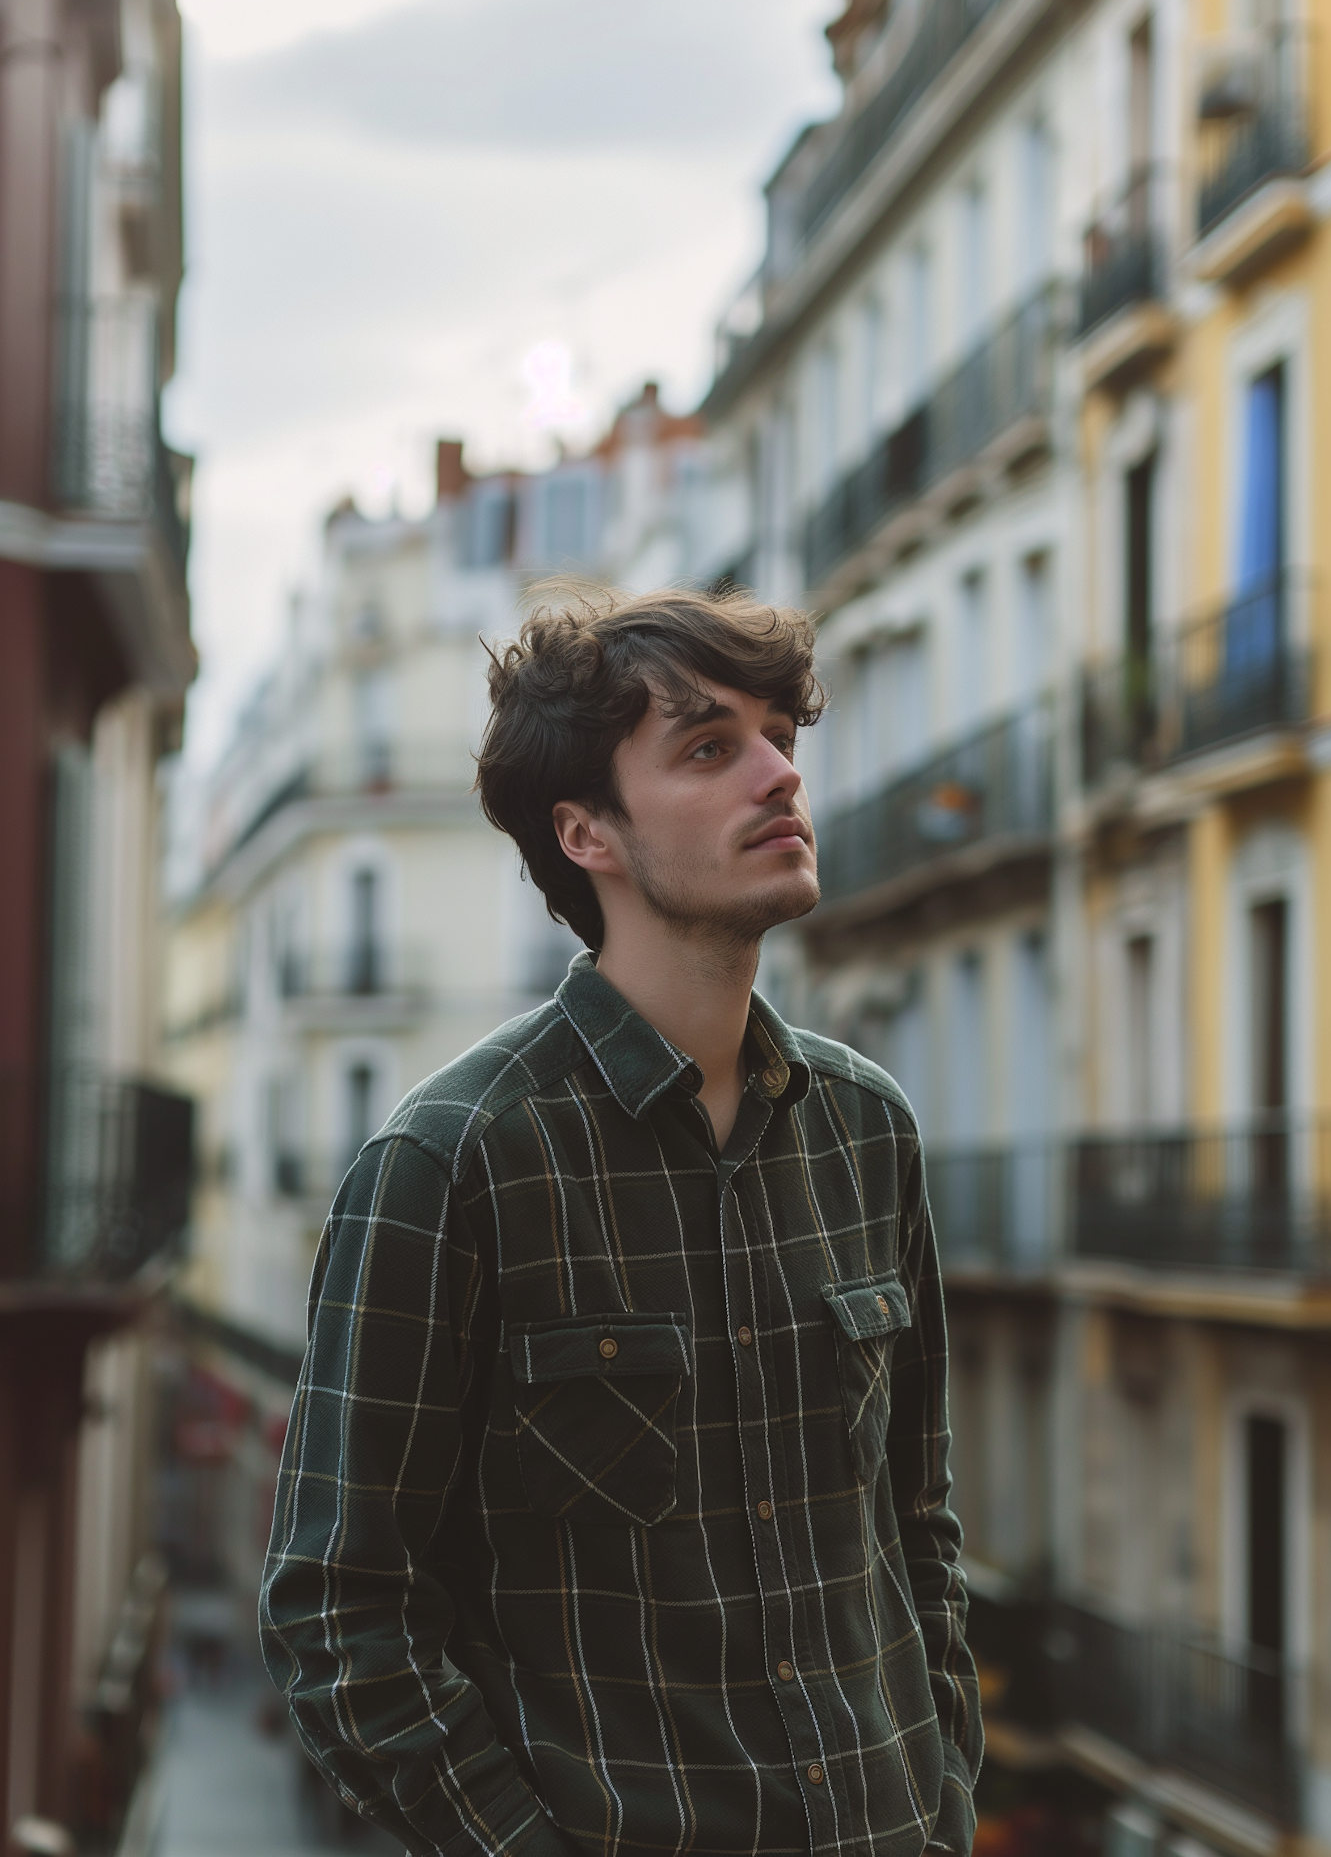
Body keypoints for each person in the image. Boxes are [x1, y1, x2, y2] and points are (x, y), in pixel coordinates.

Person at [260, 586, 981, 1857]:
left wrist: (946, 1792)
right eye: (709, 747)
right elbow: (339, 1605)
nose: (776, 775)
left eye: (779, 735)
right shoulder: (451, 1163)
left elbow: (913, 1522)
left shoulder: (870, 1131)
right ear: (585, 829)